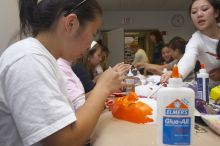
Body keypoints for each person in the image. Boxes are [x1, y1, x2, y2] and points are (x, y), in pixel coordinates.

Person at [0, 1, 130, 146]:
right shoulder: (28, 59)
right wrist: (102, 87)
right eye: (92, 34)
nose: (89, 46)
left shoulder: (45, 59)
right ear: (71, 23)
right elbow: (64, 141)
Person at [161, 0, 220, 87]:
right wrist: (176, 74)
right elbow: (188, 58)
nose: (199, 14)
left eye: (204, 9)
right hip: (211, 89)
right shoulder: (196, 40)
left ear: (216, 13)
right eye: (194, 12)